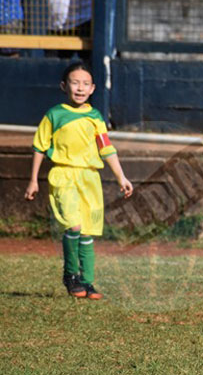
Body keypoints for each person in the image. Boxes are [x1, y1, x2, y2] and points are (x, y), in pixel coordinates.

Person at [24, 62, 133, 299]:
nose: (80, 88)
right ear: (64, 86)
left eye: (85, 84)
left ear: (93, 88)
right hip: (63, 175)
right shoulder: (54, 114)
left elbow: (106, 149)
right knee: (73, 225)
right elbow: (39, 147)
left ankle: (87, 282)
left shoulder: (95, 117)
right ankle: (71, 274)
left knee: (87, 233)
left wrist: (121, 177)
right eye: (75, 82)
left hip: (90, 179)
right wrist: (33, 180)